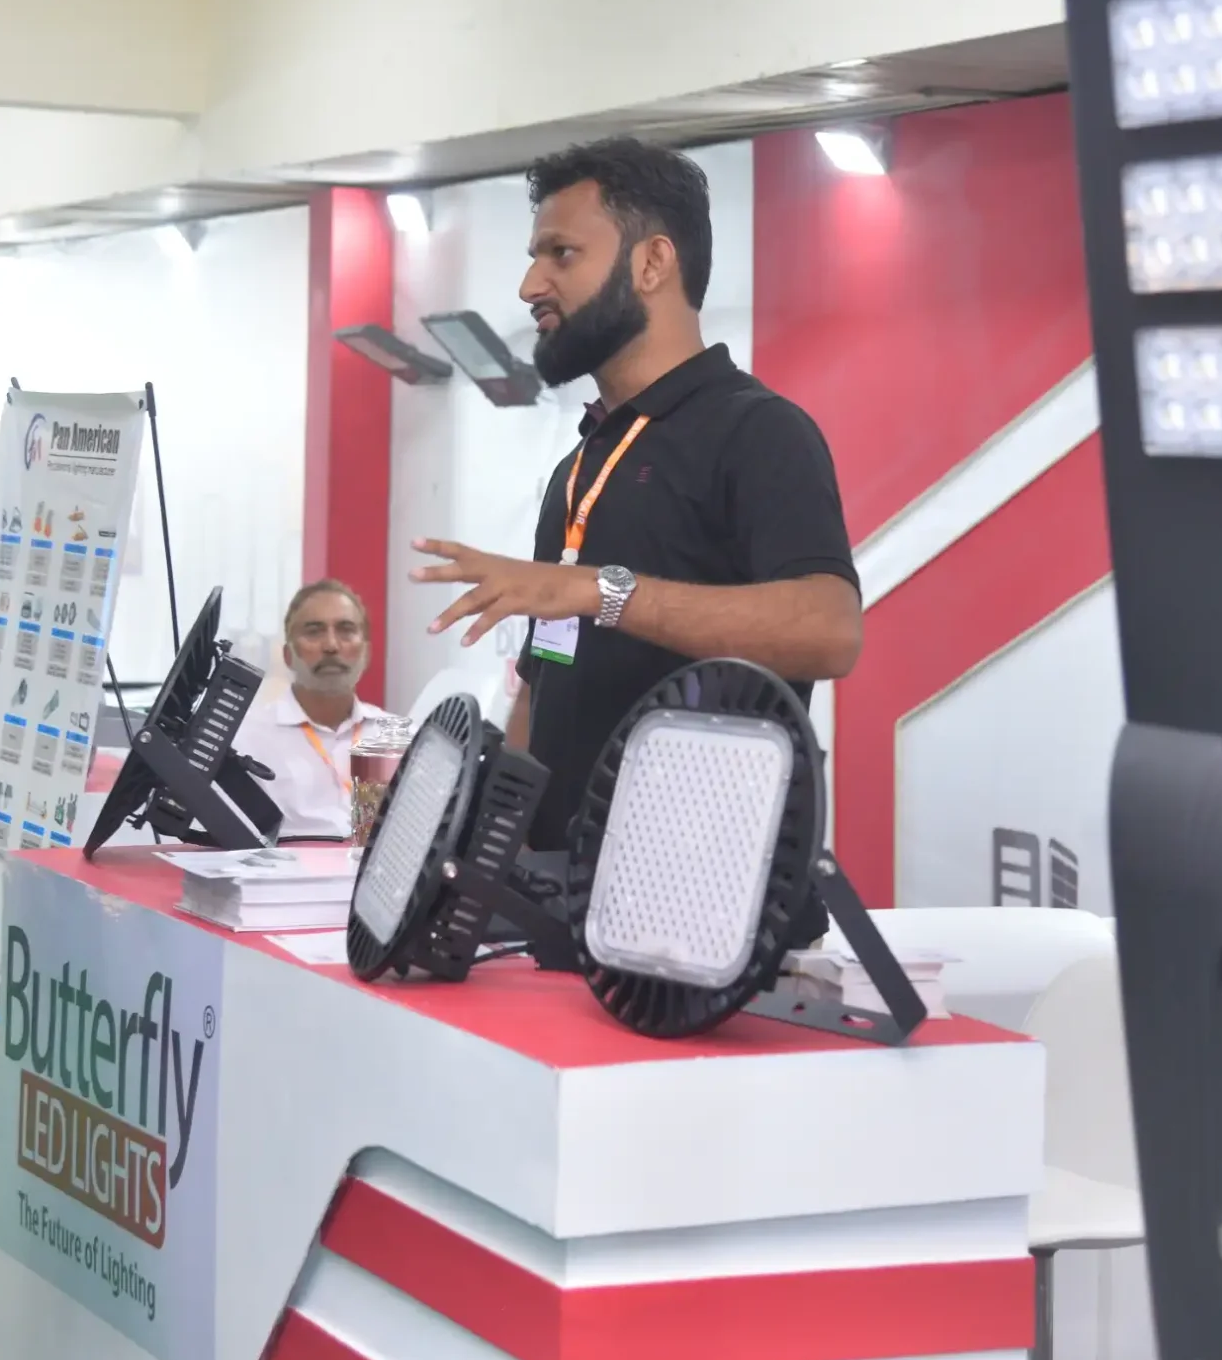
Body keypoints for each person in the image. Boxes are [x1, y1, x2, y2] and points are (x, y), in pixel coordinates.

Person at [412, 138, 863, 849]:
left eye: (561, 254)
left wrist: (600, 591)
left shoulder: (758, 430)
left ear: (652, 263)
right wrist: (497, 849)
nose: (530, 285)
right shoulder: (581, 466)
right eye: (535, 256)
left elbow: (830, 632)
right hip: (559, 887)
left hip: (695, 891)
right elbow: (544, 677)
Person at [232, 580, 388, 841]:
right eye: (314, 632)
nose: (331, 646)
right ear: (288, 655)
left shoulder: (405, 741)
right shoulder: (243, 741)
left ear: (366, 653)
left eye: (346, 630)